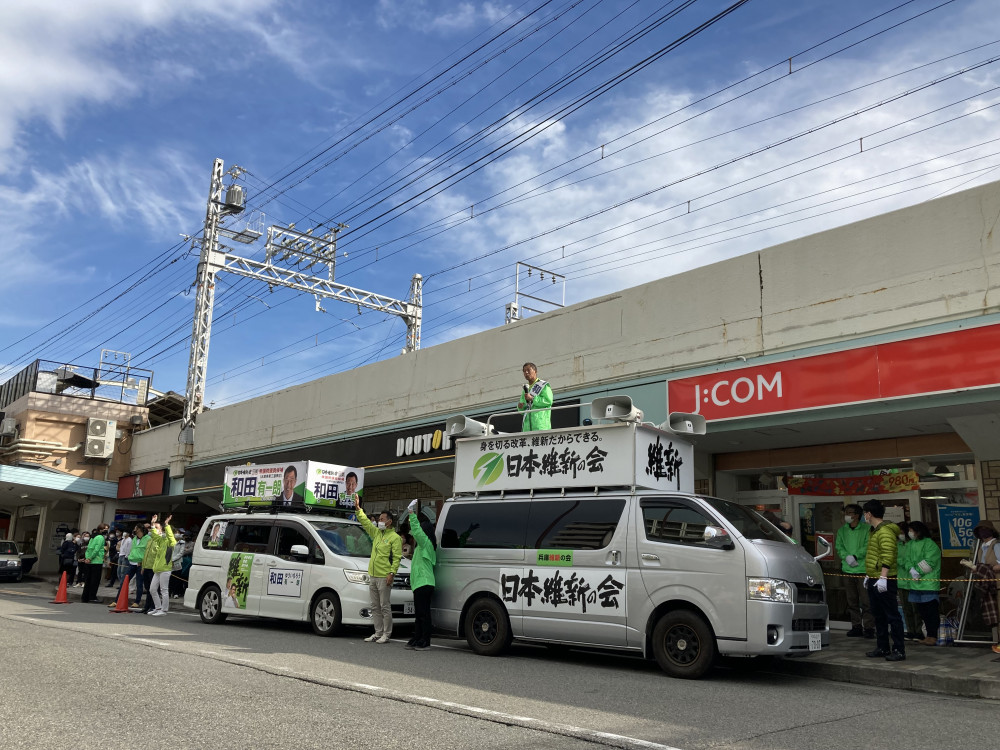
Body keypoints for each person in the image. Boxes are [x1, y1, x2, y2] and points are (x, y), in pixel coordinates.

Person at [861, 499, 905, 661]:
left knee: (892, 615)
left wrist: (883, 577)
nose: (864, 516)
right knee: (878, 615)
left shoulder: (884, 532)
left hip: (885, 578)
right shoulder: (874, 531)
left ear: (869, 514)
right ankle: (882, 647)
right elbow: (875, 556)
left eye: (865, 513)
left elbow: (888, 554)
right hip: (875, 577)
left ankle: (899, 649)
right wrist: (869, 574)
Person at [354, 497, 402, 644]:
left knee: (384, 606)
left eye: (382, 519)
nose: (379, 521)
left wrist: (392, 573)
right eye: (379, 519)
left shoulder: (394, 538)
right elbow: (366, 523)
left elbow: (397, 557)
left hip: (384, 576)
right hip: (373, 575)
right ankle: (377, 632)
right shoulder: (377, 533)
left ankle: (386, 634)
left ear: (389, 522)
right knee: (375, 606)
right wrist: (358, 508)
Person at [960, 519, 1000, 653]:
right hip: (987, 583)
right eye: (979, 530)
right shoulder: (981, 547)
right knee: (993, 613)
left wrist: (985, 568)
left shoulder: (996, 545)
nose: (982, 533)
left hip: (996, 583)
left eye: (984, 529)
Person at [835, 504, 874, 638]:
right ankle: (856, 626)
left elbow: (868, 545)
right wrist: (846, 556)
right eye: (845, 512)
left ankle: (869, 628)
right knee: (851, 600)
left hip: (863, 569)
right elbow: (839, 546)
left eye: (849, 512)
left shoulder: (867, 529)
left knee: (866, 601)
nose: (846, 515)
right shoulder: (842, 531)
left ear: (857, 515)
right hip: (847, 569)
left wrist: (856, 556)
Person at [403, 499, 437, 651]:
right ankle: (418, 638)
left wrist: (411, 513)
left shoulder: (427, 544)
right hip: (421, 584)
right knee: (420, 613)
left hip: (424, 583)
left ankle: (425, 640)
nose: (417, 535)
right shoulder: (421, 547)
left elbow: (416, 530)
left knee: (423, 614)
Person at [905, 521, 941, 647]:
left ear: (918, 531)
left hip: (928, 582)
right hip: (915, 583)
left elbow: (931, 561)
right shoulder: (909, 544)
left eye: (911, 530)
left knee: (931, 611)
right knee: (922, 611)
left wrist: (918, 571)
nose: (910, 533)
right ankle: (928, 636)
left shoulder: (930, 544)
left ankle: (933, 635)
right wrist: (911, 569)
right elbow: (906, 559)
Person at [145, 513, 176, 616]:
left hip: (165, 568)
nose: (156, 530)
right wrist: (152, 524)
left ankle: (164, 610)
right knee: (152, 589)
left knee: (164, 590)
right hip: (158, 568)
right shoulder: (161, 540)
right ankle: (158, 608)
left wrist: (167, 525)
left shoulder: (169, 541)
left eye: (158, 528)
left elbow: (171, 538)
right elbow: (154, 535)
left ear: (163, 530)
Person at [895, 521, 921, 640]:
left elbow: (908, 560)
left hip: (914, 580)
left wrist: (902, 562)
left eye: (902, 531)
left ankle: (918, 631)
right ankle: (910, 630)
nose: (900, 534)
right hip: (901, 580)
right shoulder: (897, 545)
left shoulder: (913, 544)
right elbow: (895, 558)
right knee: (906, 608)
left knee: (916, 608)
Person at [517, 362, 553, 431]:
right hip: (527, 428)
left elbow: (548, 401)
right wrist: (520, 407)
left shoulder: (543, 385)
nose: (526, 372)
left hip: (541, 426)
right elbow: (523, 410)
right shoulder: (525, 389)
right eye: (524, 371)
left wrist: (533, 399)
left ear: (535, 371)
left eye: (528, 370)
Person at [81, 526, 106, 603]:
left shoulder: (92, 537)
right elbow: (97, 549)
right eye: (105, 529)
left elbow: (89, 549)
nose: (106, 531)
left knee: (88, 580)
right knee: (95, 581)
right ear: (101, 530)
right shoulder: (101, 538)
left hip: (89, 562)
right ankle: (92, 597)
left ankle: (85, 597)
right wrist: (90, 558)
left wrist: (87, 558)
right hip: (97, 561)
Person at [127, 525, 149, 609]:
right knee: (124, 581)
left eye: (135, 528)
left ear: (139, 529)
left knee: (139, 583)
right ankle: (117, 599)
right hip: (132, 562)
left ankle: (137, 601)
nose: (134, 530)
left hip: (140, 563)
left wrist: (143, 561)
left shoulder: (147, 539)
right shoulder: (134, 539)